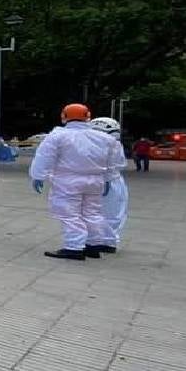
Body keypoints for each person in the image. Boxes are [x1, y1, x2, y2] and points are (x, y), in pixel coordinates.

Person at [28, 103, 120, 260]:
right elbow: (112, 162)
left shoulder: (58, 136)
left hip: (68, 180)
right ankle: (93, 245)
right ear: (88, 117)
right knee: (92, 213)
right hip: (95, 180)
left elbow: (44, 157)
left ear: (64, 117)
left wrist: (38, 176)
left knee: (69, 214)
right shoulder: (105, 138)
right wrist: (108, 179)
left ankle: (74, 247)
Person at [90, 117, 129, 249]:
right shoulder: (110, 144)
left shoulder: (113, 144)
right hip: (105, 180)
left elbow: (115, 164)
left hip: (110, 181)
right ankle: (102, 239)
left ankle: (107, 241)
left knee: (111, 212)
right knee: (102, 212)